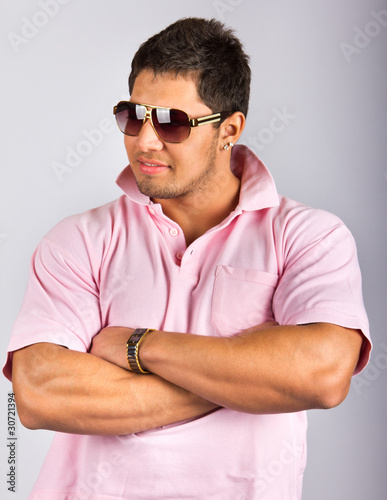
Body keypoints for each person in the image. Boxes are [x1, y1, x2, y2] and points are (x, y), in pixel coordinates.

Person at [4, 17, 371, 500]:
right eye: (133, 115)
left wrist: (138, 346)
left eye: (173, 122)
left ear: (229, 129)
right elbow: (38, 395)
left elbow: (321, 376)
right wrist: (250, 380)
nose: (146, 140)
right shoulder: (79, 239)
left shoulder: (309, 236)